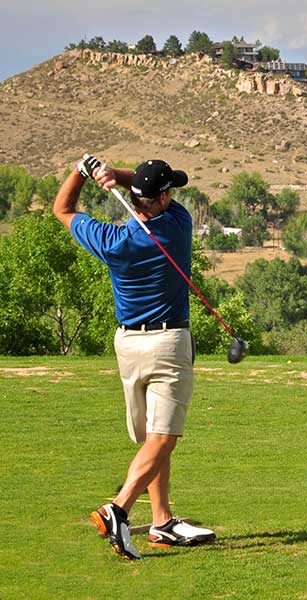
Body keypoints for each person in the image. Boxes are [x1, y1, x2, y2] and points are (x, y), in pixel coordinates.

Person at [53, 154, 215, 560]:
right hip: (168, 344)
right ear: (161, 198)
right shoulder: (177, 226)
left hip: (127, 346)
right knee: (164, 439)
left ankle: (161, 522)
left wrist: (83, 172)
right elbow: (146, 189)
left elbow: (63, 209)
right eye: (169, 190)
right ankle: (118, 509)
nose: (173, 194)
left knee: (150, 439)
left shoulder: (112, 242)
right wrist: (118, 176)